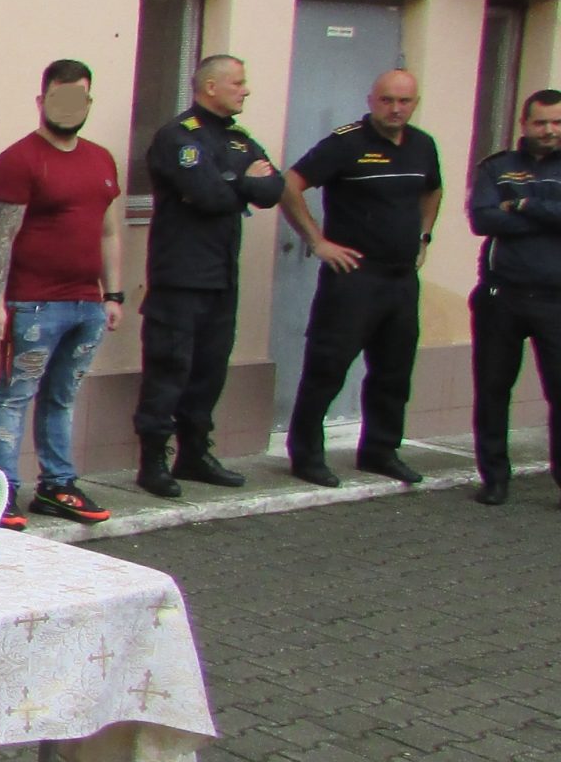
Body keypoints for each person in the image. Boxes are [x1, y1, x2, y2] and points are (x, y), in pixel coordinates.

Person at [277, 68, 442, 487]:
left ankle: (380, 451)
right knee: (327, 367)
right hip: (353, 278)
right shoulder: (346, 143)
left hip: (400, 278)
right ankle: (306, 455)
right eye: (387, 100)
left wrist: (424, 237)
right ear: (371, 101)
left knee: (393, 371)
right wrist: (317, 241)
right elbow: (289, 185)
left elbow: (433, 189)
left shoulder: (422, 145)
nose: (395, 109)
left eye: (404, 101)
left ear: (415, 104)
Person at [132, 55, 284, 498]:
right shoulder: (178, 136)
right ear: (211, 87)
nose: (246, 90)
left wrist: (231, 182)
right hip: (180, 278)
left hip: (221, 278)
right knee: (168, 371)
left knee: (209, 372)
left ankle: (194, 454)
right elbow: (207, 195)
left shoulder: (238, 138)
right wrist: (243, 182)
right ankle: (152, 462)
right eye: (238, 82)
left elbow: (274, 189)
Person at [0, 60, 124, 529]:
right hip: (33, 305)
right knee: (15, 395)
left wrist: (114, 294)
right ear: (43, 101)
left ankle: (58, 486)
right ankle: (1, 492)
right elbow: (2, 238)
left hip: (88, 305)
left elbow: (108, 231)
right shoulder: (20, 160)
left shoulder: (101, 159)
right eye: (60, 97)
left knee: (62, 396)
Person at [467, 87, 561, 506]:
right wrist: (547, 216)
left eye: (557, 122)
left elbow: (506, 214)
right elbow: (482, 219)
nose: (549, 130)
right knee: (492, 390)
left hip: (556, 299)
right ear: (524, 124)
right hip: (500, 296)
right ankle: (494, 478)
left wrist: (521, 205)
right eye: (541, 122)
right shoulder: (497, 167)